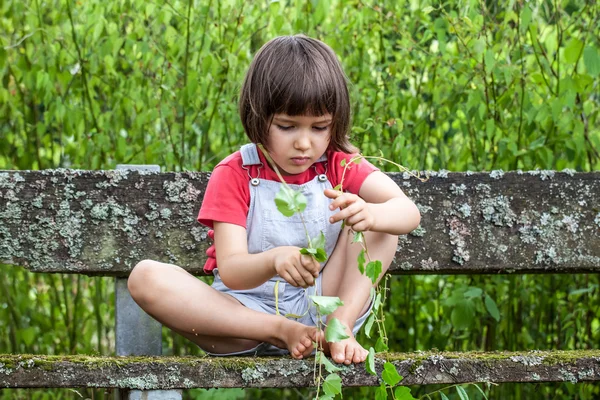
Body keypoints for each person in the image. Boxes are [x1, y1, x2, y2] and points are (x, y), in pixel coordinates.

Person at [128, 34, 421, 365]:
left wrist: (369, 213)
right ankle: (280, 330)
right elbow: (234, 271)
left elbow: (407, 212)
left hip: (322, 305)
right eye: (287, 126)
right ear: (258, 116)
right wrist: (273, 259)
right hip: (243, 319)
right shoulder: (235, 173)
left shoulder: (339, 164)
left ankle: (341, 327)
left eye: (320, 127)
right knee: (145, 277)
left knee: (382, 226)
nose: (304, 143)